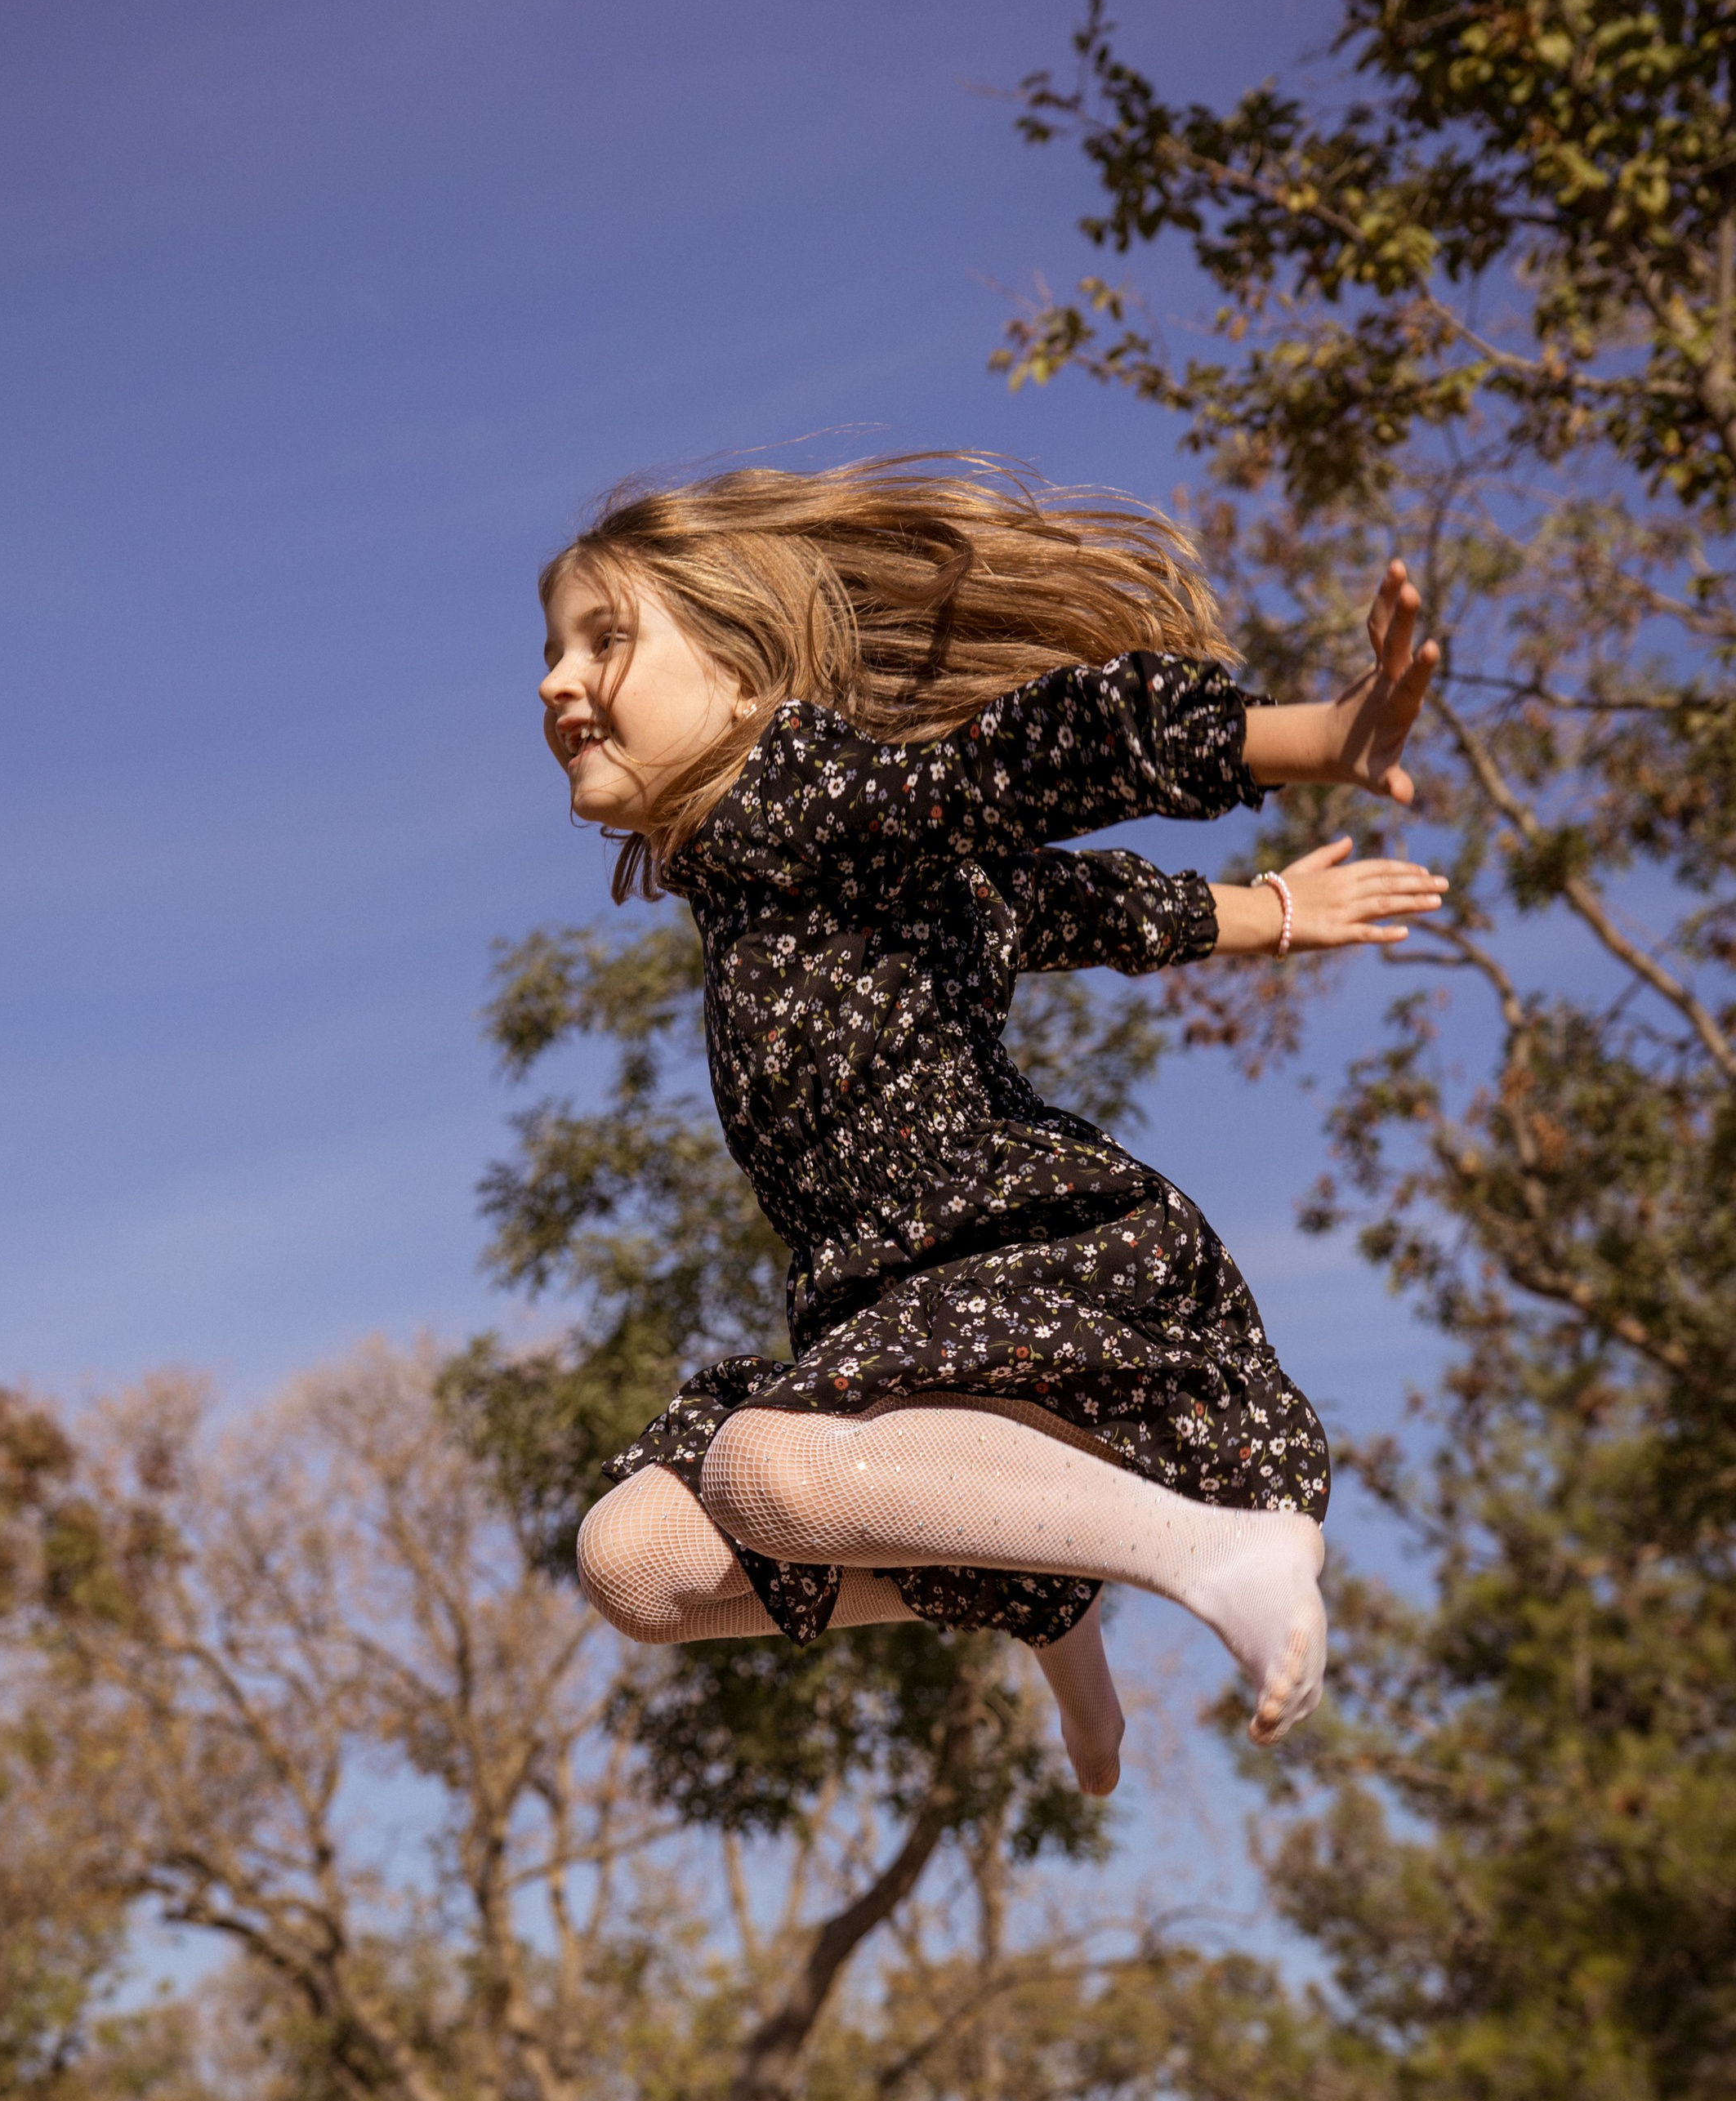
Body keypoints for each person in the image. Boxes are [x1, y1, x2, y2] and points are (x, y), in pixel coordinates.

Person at [537, 456, 1446, 1795]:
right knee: (634, 1557)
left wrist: (1309, 739)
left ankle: (1211, 1550)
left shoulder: (811, 796)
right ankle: (1043, 1578)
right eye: (552, 649)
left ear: (743, 676)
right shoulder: (762, 873)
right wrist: (1270, 912)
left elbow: (1024, 759)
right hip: (885, 1294)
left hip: (1016, 1248)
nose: (557, 682)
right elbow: (1046, 901)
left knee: (770, 1464)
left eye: (603, 640)